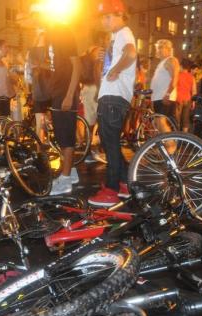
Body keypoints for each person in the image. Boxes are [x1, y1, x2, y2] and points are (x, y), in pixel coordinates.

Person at [87, 0, 137, 207]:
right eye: (102, 18)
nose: (104, 21)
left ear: (119, 15)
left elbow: (131, 53)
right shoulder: (117, 36)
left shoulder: (125, 32)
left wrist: (115, 70)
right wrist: (106, 56)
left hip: (113, 97)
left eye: (107, 17)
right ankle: (123, 183)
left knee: (110, 144)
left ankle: (111, 190)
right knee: (111, 143)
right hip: (113, 97)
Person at [29, 3, 81, 196]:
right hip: (57, 92)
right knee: (61, 135)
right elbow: (53, 63)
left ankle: (66, 180)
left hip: (65, 93)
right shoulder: (50, 35)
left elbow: (77, 65)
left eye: (35, 16)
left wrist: (69, 94)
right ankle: (72, 172)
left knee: (66, 137)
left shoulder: (62, 31)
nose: (33, 20)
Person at [150, 39, 180, 127]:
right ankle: (167, 140)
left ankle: (171, 141)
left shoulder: (170, 60)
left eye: (160, 47)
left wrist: (167, 94)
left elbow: (175, 78)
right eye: (157, 47)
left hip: (164, 97)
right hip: (159, 98)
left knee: (161, 123)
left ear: (168, 49)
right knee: (158, 123)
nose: (157, 50)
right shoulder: (162, 62)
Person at [176, 58, 196, 132]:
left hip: (178, 100)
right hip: (187, 100)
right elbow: (194, 91)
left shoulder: (177, 75)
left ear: (181, 66)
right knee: (185, 120)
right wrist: (193, 102)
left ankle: (176, 136)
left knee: (176, 120)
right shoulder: (192, 77)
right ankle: (184, 138)